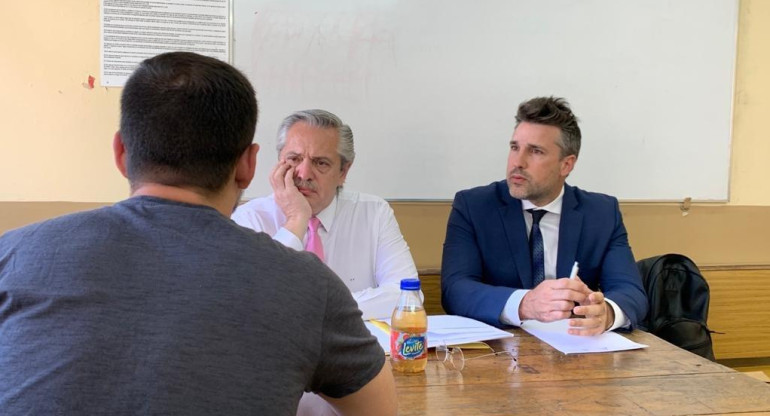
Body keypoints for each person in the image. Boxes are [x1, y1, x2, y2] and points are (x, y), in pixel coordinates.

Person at [0, 52, 397, 416]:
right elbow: (381, 411)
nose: (305, 172)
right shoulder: (307, 285)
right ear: (249, 166)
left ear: (121, 154)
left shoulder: (11, 254)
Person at [441, 96, 647, 335]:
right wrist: (526, 304)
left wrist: (606, 313)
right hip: (499, 353)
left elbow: (631, 292)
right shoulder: (474, 207)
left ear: (566, 165)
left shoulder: (601, 213)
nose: (518, 162)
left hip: (576, 350)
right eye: (514, 147)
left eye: (535, 151)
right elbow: (455, 290)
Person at [232, 109, 418, 320]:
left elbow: (407, 295)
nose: (303, 173)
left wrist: (319, 308)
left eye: (320, 163)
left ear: (343, 172)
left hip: (352, 348)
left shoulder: (373, 213)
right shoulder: (250, 218)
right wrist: (296, 218)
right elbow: (256, 302)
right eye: (293, 159)